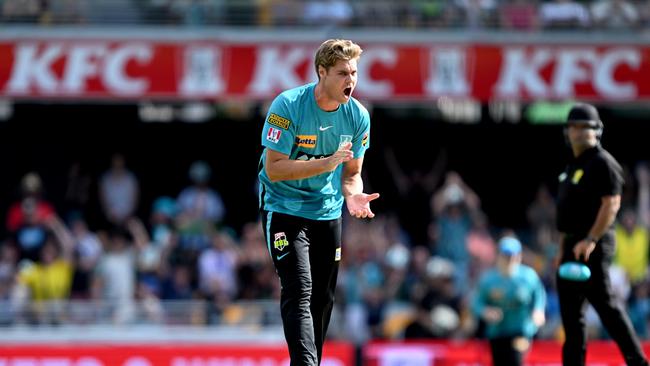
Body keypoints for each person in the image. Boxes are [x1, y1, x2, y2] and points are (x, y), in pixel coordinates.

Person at [257, 39, 378, 366]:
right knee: (299, 289)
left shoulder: (358, 117)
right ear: (321, 72)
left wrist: (354, 195)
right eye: (342, 73)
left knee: (322, 299)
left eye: (353, 72)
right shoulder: (288, 106)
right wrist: (324, 163)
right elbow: (275, 168)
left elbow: (352, 173)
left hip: (326, 211)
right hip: (283, 208)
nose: (350, 80)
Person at [556, 102, 648, 366]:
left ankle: (638, 362)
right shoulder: (570, 167)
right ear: (567, 131)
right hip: (571, 246)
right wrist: (563, 247)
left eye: (586, 127)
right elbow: (565, 218)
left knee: (607, 307)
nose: (580, 132)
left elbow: (611, 204)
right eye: (575, 126)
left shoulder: (603, 163)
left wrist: (591, 239)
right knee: (572, 318)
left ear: (597, 131)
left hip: (592, 245)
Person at [472, 236, 546, 366]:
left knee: (515, 359)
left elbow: (539, 295)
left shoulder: (528, 277)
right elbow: (477, 302)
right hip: (497, 332)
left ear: (519, 256)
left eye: (513, 255)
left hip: (521, 329)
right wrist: (485, 312)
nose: (509, 260)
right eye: (506, 256)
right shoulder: (489, 279)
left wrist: (538, 311)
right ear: (499, 256)